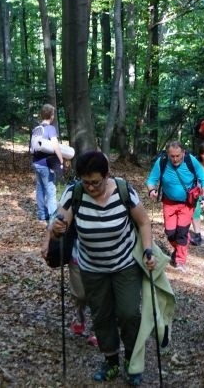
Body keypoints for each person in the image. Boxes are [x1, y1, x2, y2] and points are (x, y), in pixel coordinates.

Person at [45, 151, 156, 384]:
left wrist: (148, 249)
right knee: (102, 315)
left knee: (128, 313)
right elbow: (59, 223)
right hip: (91, 267)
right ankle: (111, 361)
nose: (91, 187)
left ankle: (132, 361)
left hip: (124, 263)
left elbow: (143, 221)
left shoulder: (124, 191)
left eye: (95, 182)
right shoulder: (74, 193)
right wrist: (57, 228)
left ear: (107, 176)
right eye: (86, 182)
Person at [146, 141, 204, 270]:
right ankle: (183, 244)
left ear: (183, 153)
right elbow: (151, 180)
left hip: (187, 204)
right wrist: (151, 190)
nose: (175, 159)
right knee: (170, 233)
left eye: (178, 156)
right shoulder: (162, 161)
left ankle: (180, 260)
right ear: (168, 154)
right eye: (172, 156)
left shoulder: (190, 161)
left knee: (181, 232)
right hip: (169, 203)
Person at [31, 104, 64, 224]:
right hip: (46, 164)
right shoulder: (50, 129)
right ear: (51, 116)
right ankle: (53, 218)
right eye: (53, 114)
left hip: (36, 163)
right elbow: (55, 145)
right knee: (51, 190)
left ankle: (41, 216)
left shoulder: (36, 129)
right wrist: (61, 160)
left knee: (40, 189)